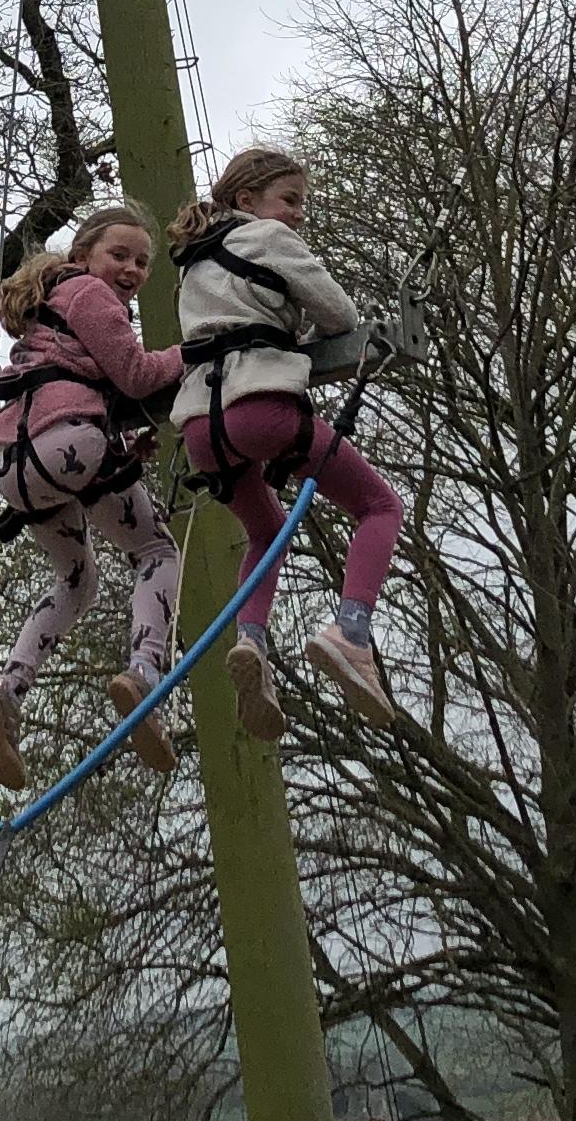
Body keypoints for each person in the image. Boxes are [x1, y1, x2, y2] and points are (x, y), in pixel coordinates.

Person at [170, 145, 406, 738]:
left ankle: (251, 639)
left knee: (266, 531)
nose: (299, 213)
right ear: (247, 200)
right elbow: (340, 314)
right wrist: (299, 334)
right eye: (290, 200)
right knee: (379, 506)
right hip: (261, 409)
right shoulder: (269, 238)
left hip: (201, 428)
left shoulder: (192, 263)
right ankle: (351, 633)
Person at [0, 200, 189, 790]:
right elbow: (138, 374)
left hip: (19, 470)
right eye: (120, 255)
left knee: (77, 580)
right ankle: (144, 673)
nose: (132, 270)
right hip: (69, 447)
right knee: (157, 551)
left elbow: (79, 384)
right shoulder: (89, 293)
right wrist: (193, 352)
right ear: (84, 256)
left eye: (142, 262)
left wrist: (124, 448)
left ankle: (8, 692)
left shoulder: (50, 310)